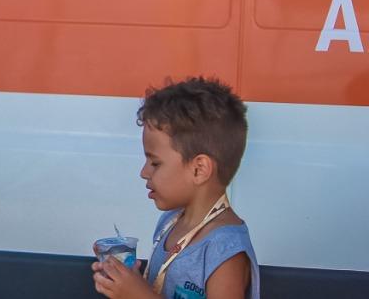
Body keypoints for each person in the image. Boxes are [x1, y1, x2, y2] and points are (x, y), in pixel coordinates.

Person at [93, 77, 261, 299]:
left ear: (199, 169)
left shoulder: (224, 249)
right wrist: (125, 279)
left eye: (155, 163)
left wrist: (138, 296)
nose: (144, 172)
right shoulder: (170, 222)